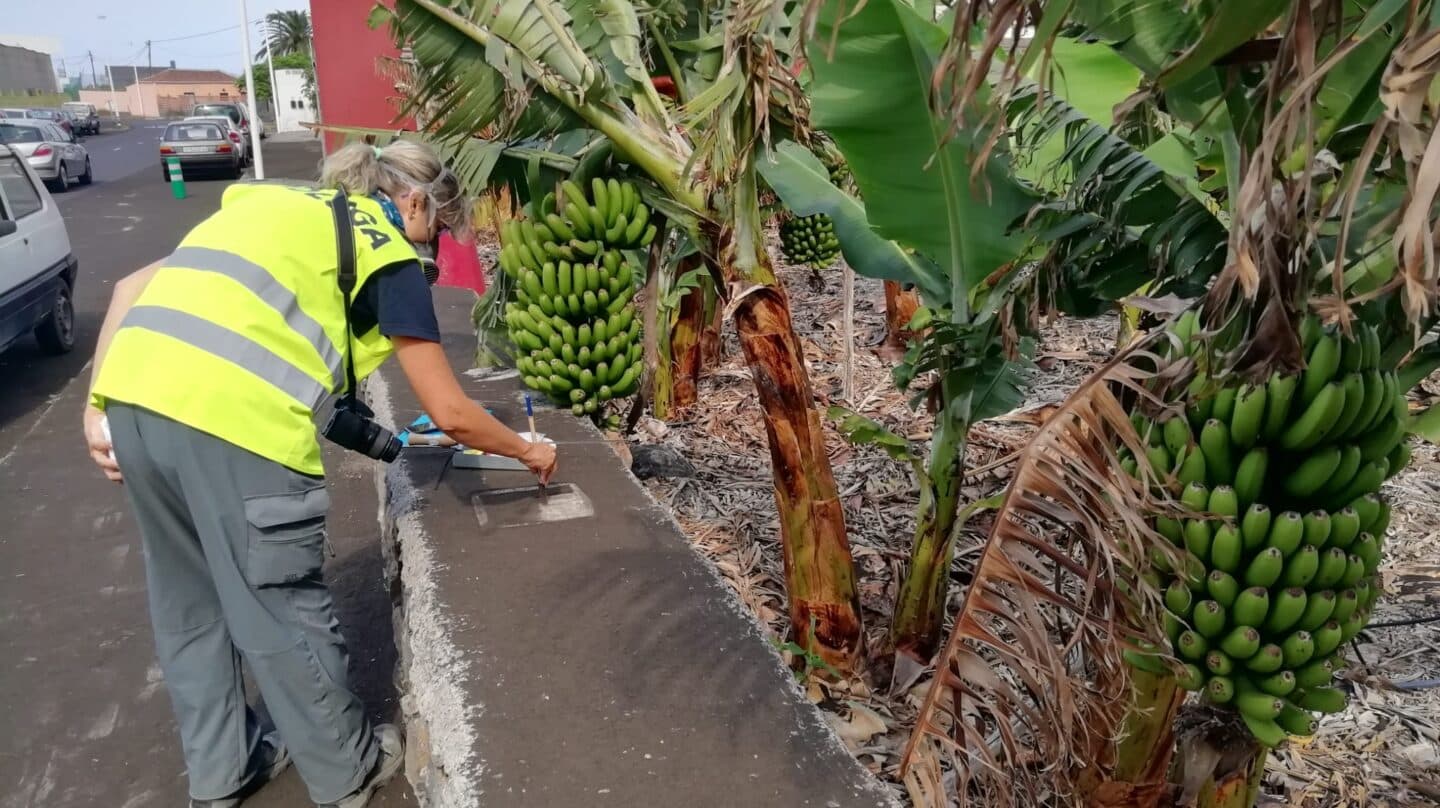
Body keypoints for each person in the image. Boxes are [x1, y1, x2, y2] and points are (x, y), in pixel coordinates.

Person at [82, 141, 557, 808]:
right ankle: (348, 769)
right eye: (440, 229)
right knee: (278, 603)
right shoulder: (385, 248)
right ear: (413, 203)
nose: (436, 245)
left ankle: (223, 771)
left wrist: (94, 404)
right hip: (229, 421)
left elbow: (133, 287)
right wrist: (529, 451)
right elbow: (451, 410)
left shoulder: (277, 204)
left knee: (189, 604)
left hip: (134, 402)